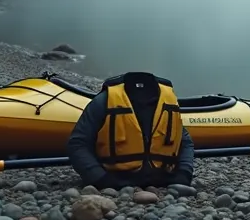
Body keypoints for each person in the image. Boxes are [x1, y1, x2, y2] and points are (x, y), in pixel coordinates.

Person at [66, 71, 195, 189]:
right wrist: (100, 178)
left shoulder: (168, 103)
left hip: (163, 179)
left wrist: (183, 173)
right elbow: (78, 143)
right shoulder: (104, 101)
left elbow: (185, 142)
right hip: (112, 179)